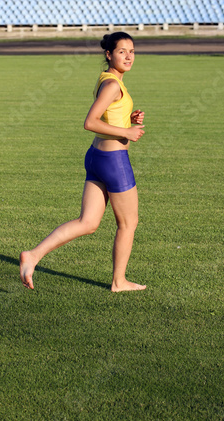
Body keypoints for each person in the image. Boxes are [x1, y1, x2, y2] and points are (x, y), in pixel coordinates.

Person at [20, 32, 146, 292]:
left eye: (131, 50)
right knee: (128, 223)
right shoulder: (113, 84)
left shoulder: (108, 80)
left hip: (97, 157)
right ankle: (119, 282)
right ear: (109, 54)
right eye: (122, 51)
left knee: (87, 223)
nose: (129, 56)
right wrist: (127, 132)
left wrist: (129, 121)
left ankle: (33, 255)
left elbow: (107, 116)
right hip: (114, 161)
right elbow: (90, 122)